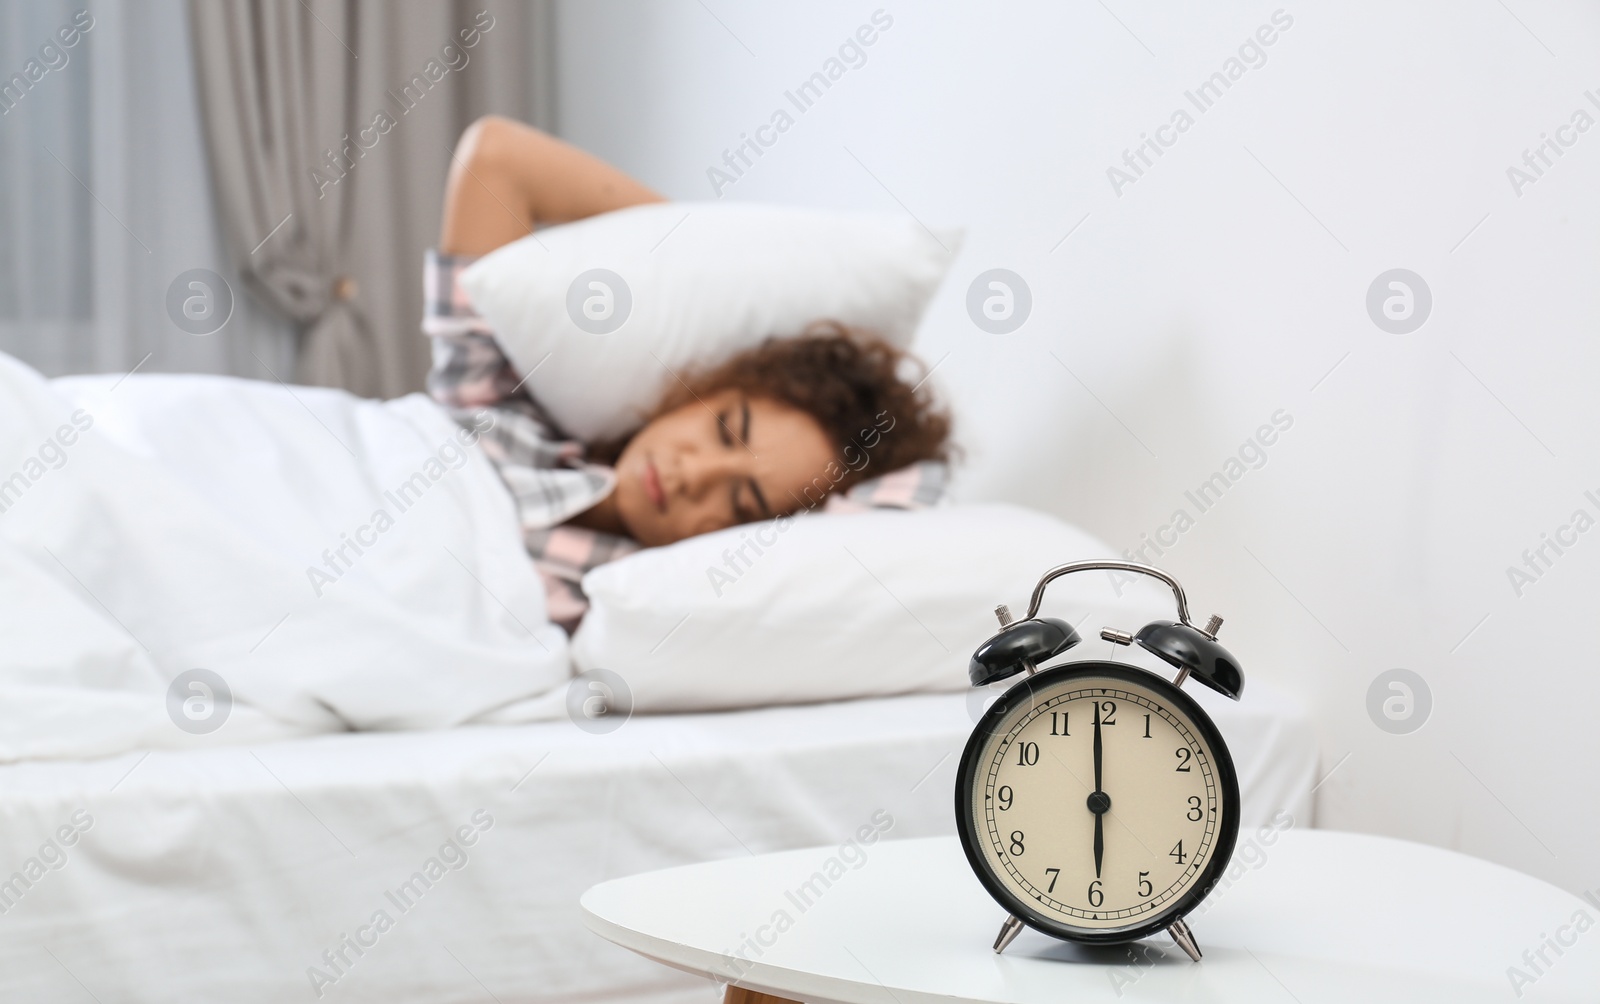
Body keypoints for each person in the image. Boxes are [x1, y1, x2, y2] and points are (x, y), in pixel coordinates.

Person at [427, 116, 952, 630]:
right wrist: (693, 242)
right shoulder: (494, 400)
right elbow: (496, 157)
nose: (693, 475)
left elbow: (904, 506)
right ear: (701, 390)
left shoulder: (627, 602)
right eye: (724, 428)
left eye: (742, 503)